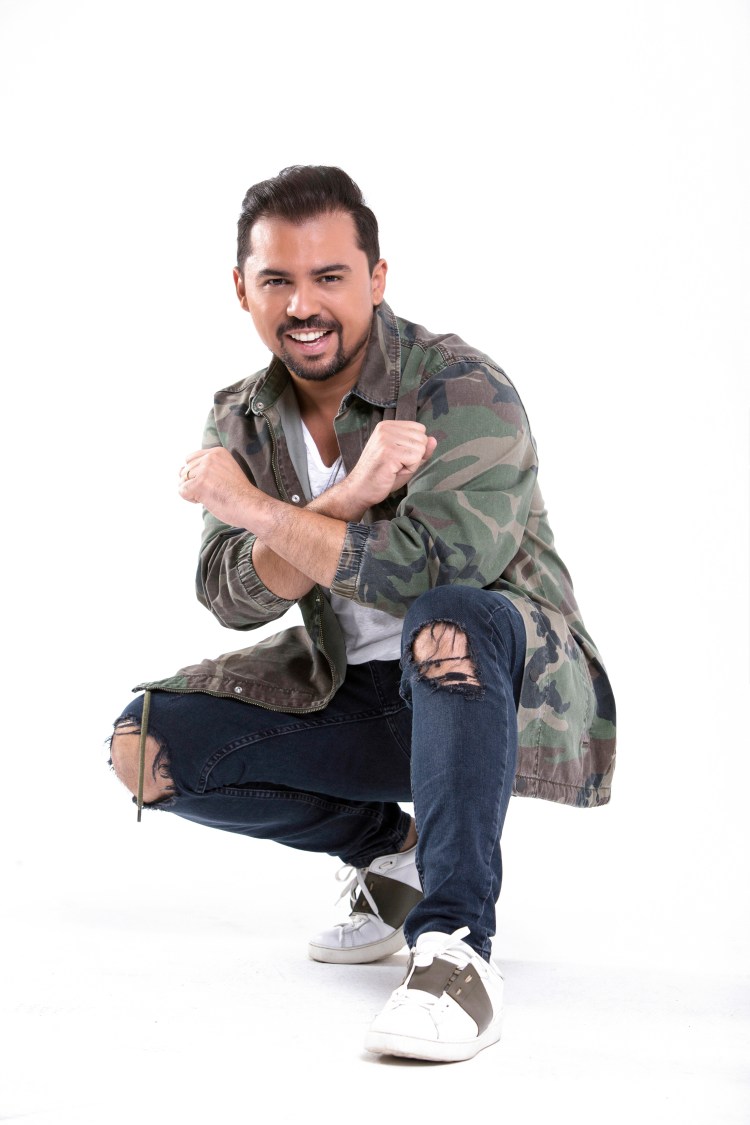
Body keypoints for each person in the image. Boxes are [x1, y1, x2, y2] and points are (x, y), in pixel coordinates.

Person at [109, 165, 616, 1063]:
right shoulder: (243, 419)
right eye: (277, 279)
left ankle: (455, 947)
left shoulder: (459, 386)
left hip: (497, 685)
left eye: (330, 277)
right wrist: (342, 499)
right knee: (145, 746)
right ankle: (393, 851)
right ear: (242, 289)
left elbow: (439, 569)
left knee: (448, 617)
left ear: (376, 279)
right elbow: (229, 594)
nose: (303, 304)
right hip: (355, 689)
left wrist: (258, 510)